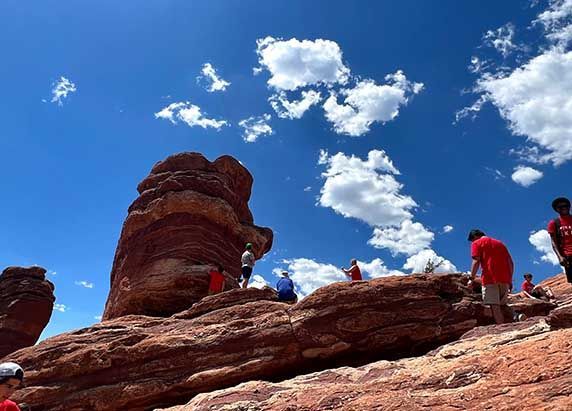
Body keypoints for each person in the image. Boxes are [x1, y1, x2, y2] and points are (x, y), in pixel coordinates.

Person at [468, 229, 514, 324]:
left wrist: (471, 278)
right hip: (505, 279)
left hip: (490, 278)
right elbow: (511, 263)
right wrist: (509, 280)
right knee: (503, 305)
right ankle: (516, 317)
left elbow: (476, 261)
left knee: (494, 307)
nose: (472, 242)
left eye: (472, 240)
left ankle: (502, 329)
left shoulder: (476, 243)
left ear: (475, 237)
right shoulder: (500, 243)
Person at [548, 197, 572, 283]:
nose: (563, 208)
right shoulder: (554, 223)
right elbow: (553, 242)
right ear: (556, 210)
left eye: (565, 205)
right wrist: (560, 257)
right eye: (560, 207)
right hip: (568, 256)